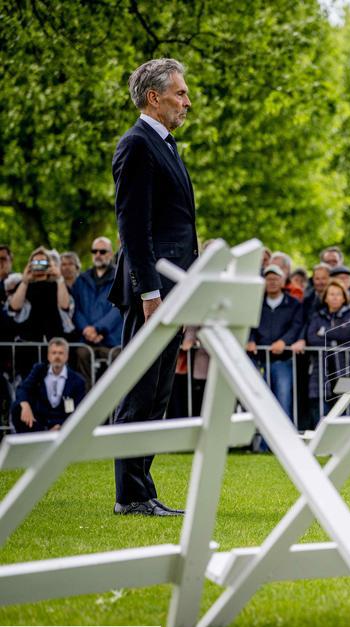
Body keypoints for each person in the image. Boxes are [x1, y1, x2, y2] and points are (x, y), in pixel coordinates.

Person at [108, 58, 196, 517]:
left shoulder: (166, 145)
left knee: (158, 393)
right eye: (180, 93)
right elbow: (133, 229)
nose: (187, 102)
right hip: (153, 293)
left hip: (173, 290)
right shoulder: (137, 145)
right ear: (153, 97)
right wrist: (149, 294)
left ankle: (143, 490)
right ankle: (129, 495)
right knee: (139, 391)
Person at [247, 264, 306, 449]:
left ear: (282, 281)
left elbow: (297, 326)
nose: (272, 282)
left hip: (282, 361)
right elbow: (250, 325)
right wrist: (250, 340)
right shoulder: (256, 303)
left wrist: (284, 341)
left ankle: (283, 445)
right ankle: (263, 445)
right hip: (259, 360)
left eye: (275, 279)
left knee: (283, 401)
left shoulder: (294, 304)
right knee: (261, 404)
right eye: (268, 279)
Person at [71, 236, 123, 389]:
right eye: (94, 251)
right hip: (87, 340)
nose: (98, 255)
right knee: (81, 354)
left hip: (111, 340)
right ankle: (89, 401)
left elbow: (118, 308)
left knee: (116, 364)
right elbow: (76, 308)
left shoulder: (120, 277)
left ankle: (114, 401)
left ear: (110, 253)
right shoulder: (81, 279)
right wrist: (87, 330)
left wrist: (99, 329)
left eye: (102, 251)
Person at [306, 281, 350, 426]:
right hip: (320, 371)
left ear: (344, 298)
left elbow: (347, 333)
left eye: (338, 294)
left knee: (345, 412)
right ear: (325, 298)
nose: (335, 297)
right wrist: (334, 342)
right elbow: (311, 338)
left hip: (345, 370)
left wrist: (323, 332)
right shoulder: (317, 317)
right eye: (331, 294)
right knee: (321, 414)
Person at [11, 338, 86, 433]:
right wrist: (25, 405)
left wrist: (62, 426)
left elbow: (79, 409)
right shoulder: (39, 370)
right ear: (48, 356)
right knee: (18, 407)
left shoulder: (77, 380)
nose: (57, 356)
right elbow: (23, 389)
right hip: (40, 421)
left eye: (60, 353)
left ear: (66, 356)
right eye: (54, 353)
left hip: (64, 423)